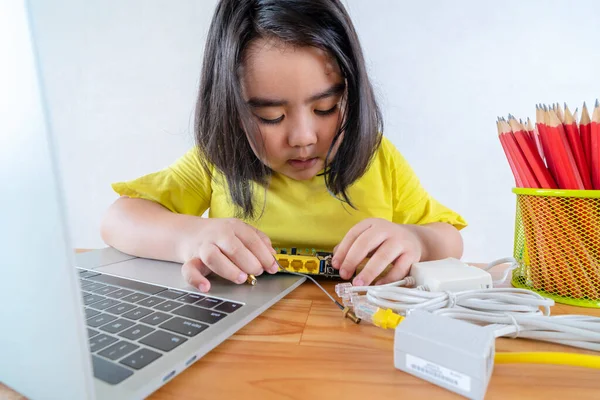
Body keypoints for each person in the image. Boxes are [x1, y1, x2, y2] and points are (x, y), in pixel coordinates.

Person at [101, 0, 467, 293]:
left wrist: (417, 240)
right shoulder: (220, 159)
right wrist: (191, 237)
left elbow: (449, 239)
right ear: (230, 110)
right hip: (246, 344)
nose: (303, 137)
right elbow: (118, 219)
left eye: (325, 108)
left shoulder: (377, 158)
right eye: (271, 116)